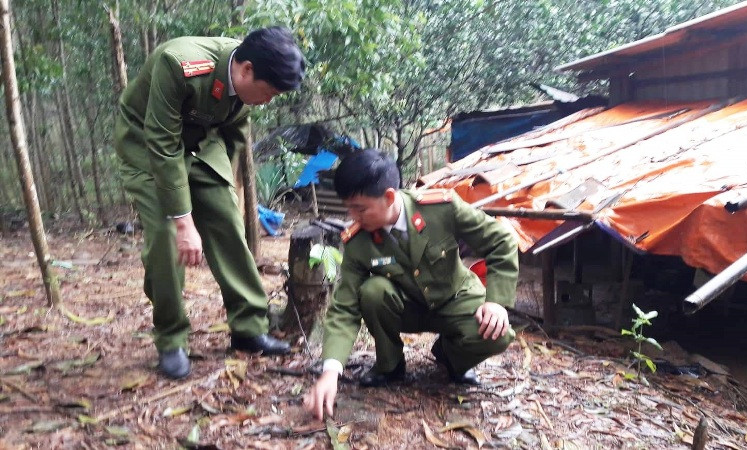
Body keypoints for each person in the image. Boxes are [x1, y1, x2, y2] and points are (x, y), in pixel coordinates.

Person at [114, 26, 305, 379]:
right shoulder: (180, 64)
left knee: (226, 220)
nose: (269, 101)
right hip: (148, 145)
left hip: (202, 143)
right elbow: (163, 144)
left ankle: (249, 327)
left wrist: (220, 188)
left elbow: (235, 134)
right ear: (246, 70)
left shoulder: (246, 82)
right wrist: (184, 221)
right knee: (167, 238)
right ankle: (171, 339)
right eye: (269, 92)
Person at [304, 149, 519, 420]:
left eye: (360, 208)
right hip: (407, 307)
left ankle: (451, 355)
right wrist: (330, 372)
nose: (353, 216)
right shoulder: (358, 242)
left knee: (498, 333)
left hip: (455, 297)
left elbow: (501, 241)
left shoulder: (441, 208)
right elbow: (344, 308)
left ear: (389, 197)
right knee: (372, 291)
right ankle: (390, 366)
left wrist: (496, 302)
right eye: (349, 208)